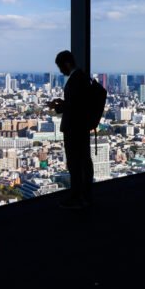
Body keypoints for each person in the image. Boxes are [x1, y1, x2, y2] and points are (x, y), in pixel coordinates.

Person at [48, 50, 93, 209]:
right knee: (83, 161)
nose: (61, 71)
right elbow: (77, 103)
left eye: (61, 67)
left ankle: (77, 197)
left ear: (67, 63)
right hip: (81, 126)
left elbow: (74, 106)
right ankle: (85, 195)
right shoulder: (81, 77)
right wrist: (62, 103)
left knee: (75, 163)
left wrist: (58, 106)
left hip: (74, 128)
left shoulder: (76, 79)